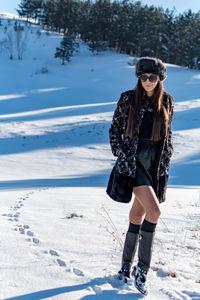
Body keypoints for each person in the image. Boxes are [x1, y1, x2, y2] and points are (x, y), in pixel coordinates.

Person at [108, 57, 174, 295]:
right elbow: (115, 129)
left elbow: (168, 135)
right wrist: (120, 151)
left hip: (154, 164)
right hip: (132, 163)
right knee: (154, 212)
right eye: (143, 77)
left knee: (138, 214)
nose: (147, 81)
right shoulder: (128, 98)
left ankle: (125, 268)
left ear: (160, 79)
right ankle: (142, 270)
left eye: (152, 77)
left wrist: (167, 156)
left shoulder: (166, 101)